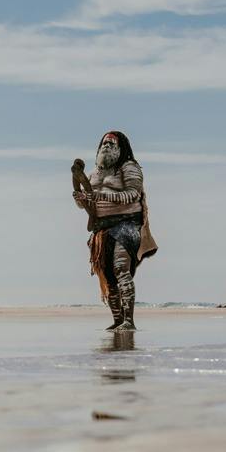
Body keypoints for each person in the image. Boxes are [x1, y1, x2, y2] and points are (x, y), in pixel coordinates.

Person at [72, 130, 157, 332]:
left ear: (121, 147)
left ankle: (129, 320)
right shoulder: (93, 174)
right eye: (104, 143)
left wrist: (101, 196)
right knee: (107, 276)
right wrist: (81, 199)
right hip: (101, 229)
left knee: (121, 269)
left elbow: (133, 195)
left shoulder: (129, 167)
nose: (107, 146)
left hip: (127, 225)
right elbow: (87, 204)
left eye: (112, 143)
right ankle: (118, 320)